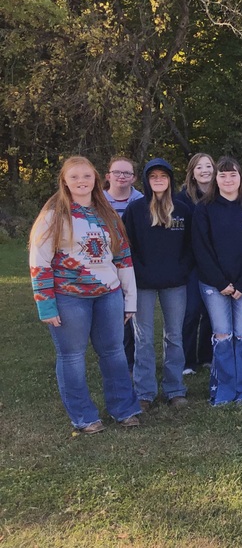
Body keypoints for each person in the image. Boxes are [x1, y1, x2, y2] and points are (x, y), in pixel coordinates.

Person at [29, 156, 142, 433]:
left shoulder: (109, 215)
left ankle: (124, 409)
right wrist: (46, 304)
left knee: (114, 353)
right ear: (65, 182)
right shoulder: (53, 217)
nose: (81, 182)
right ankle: (84, 416)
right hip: (68, 297)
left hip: (108, 295)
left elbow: (124, 258)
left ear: (95, 179)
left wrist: (130, 300)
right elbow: (39, 261)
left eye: (86, 176)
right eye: (75, 177)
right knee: (72, 357)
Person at [192, 157, 242, 406]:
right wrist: (221, 282)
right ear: (216, 179)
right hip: (214, 284)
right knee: (223, 335)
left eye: (232, 175)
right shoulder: (204, 208)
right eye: (222, 175)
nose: (227, 179)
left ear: (240, 178)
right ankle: (223, 388)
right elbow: (201, 249)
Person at [123, 158, 193, 410]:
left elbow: (190, 247)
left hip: (175, 283)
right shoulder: (135, 209)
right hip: (143, 283)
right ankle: (144, 392)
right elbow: (127, 247)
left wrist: (181, 270)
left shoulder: (183, 209)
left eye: (163, 175)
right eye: (154, 176)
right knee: (142, 339)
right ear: (147, 180)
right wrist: (139, 274)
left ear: (170, 180)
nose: (159, 180)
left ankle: (175, 388)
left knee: (174, 336)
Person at [177, 153, 216, 374]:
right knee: (191, 311)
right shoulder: (182, 199)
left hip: (213, 262)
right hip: (191, 263)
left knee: (212, 311)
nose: (204, 170)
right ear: (192, 172)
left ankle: (207, 356)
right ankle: (187, 360)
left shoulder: (221, 195)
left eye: (208, 166)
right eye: (199, 167)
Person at [104, 156, 143, 370]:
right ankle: (121, 360)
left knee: (133, 312)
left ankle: (136, 360)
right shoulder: (96, 201)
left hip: (134, 265)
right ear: (108, 175)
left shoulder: (142, 201)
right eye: (117, 172)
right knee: (115, 314)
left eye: (126, 173)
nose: (121, 176)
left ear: (134, 178)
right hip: (106, 266)